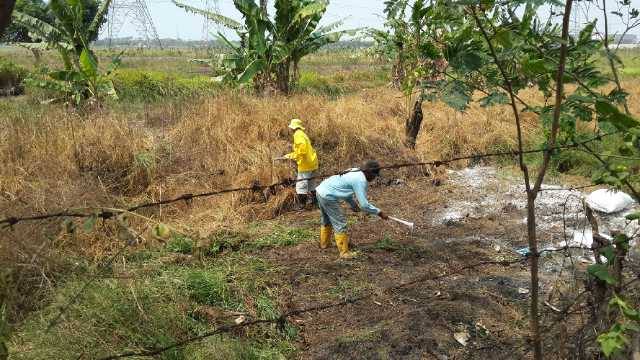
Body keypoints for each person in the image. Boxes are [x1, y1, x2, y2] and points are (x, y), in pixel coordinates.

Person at [315, 160, 389, 259]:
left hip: (321, 190)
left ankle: (325, 244)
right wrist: (379, 212)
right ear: (368, 172)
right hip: (328, 195)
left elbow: (345, 190)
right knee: (340, 222)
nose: (374, 178)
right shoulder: (360, 180)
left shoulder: (355, 171)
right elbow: (364, 205)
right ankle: (344, 253)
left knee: (326, 219)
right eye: (374, 175)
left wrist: (353, 205)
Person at [277, 118, 319, 210]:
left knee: (301, 185)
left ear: (293, 128)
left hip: (305, 164)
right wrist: (290, 155)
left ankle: (302, 206)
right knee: (311, 184)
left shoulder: (297, 135)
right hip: (312, 162)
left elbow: (302, 150)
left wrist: (292, 156)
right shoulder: (303, 134)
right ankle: (315, 202)